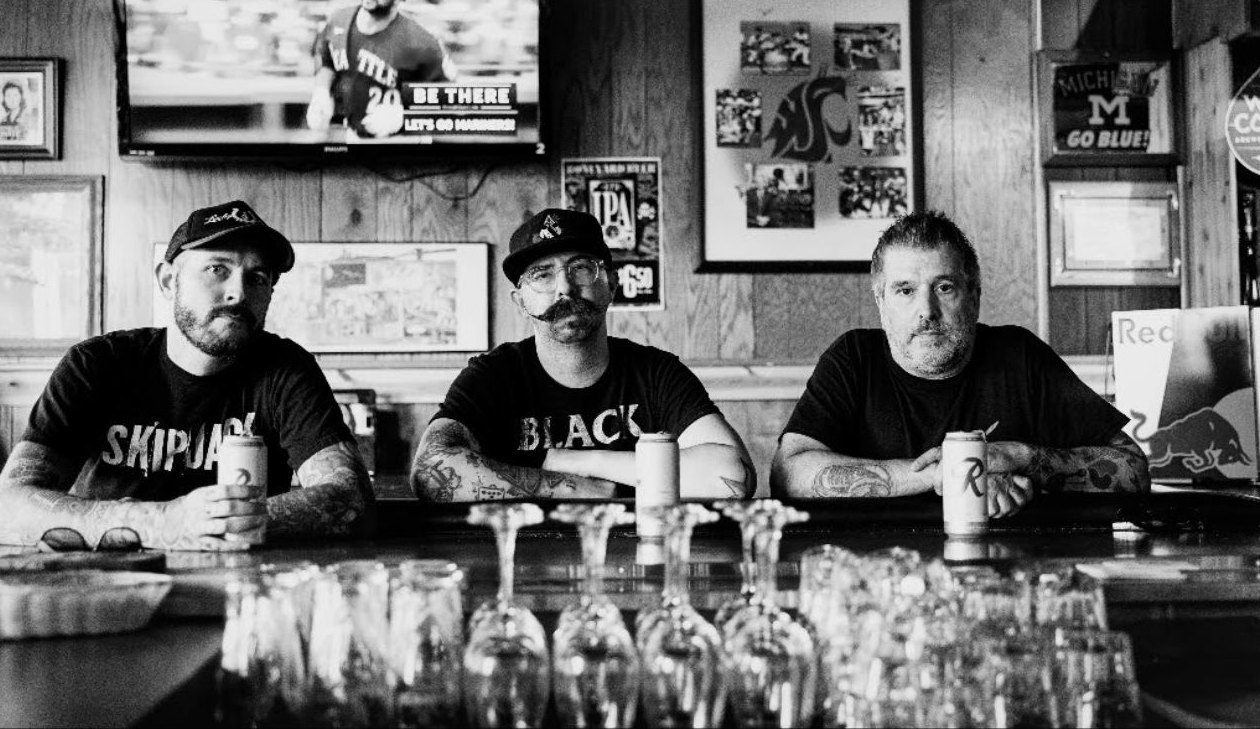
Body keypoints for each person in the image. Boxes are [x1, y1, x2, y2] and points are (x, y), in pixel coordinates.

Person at [0, 200, 376, 551]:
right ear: (169, 281)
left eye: (257, 278)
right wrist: (166, 522)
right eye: (217, 269)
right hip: (109, 584)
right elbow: (6, 511)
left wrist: (214, 524)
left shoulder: (286, 369)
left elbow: (350, 500)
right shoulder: (98, 364)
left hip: (240, 588)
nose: (238, 293)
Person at [771, 210, 1149, 516]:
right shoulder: (854, 358)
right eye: (905, 290)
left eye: (944, 288)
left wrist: (1016, 457)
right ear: (880, 301)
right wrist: (952, 473)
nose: (927, 312)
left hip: (1006, 574)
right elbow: (788, 474)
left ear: (975, 296)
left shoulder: (1018, 355)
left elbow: (1133, 471)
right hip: (878, 576)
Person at [410, 208, 756, 501]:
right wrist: (579, 490)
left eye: (580, 267)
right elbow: (430, 470)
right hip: (524, 563)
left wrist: (568, 461)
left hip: (637, 560)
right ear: (521, 302)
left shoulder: (654, 371)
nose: (564, 287)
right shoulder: (493, 376)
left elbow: (733, 477)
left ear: (611, 286)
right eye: (542, 275)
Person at [306, 0, 456, 138]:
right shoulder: (339, 20)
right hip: (354, 137)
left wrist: (404, 117)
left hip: (403, 144)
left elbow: (451, 101)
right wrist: (321, 91)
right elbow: (325, 56)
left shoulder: (422, 43)